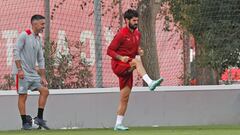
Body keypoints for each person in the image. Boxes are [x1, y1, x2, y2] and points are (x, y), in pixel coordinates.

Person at [107, 9, 163, 131]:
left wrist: (139, 50)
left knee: (125, 98)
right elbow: (109, 51)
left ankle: (118, 124)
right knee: (137, 62)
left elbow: (134, 47)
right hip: (119, 65)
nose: (136, 22)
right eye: (134, 20)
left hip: (128, 68)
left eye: (137, 20)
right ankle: (150, 83)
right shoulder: (121, 34)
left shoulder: (138, 34)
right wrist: (121, 57)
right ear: (127, 20)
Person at [13, 14, 50, 130]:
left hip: (33, 73)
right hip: (22, 72)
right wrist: (19, 70)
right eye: (42, 24)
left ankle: (39, 118)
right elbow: (16, 51)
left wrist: (43, 77)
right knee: (23, 96)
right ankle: (25, 123)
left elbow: (41, 59)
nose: (44, 26)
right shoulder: (25, 35)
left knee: (45, 91)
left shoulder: (38, 39)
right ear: (35, 24)